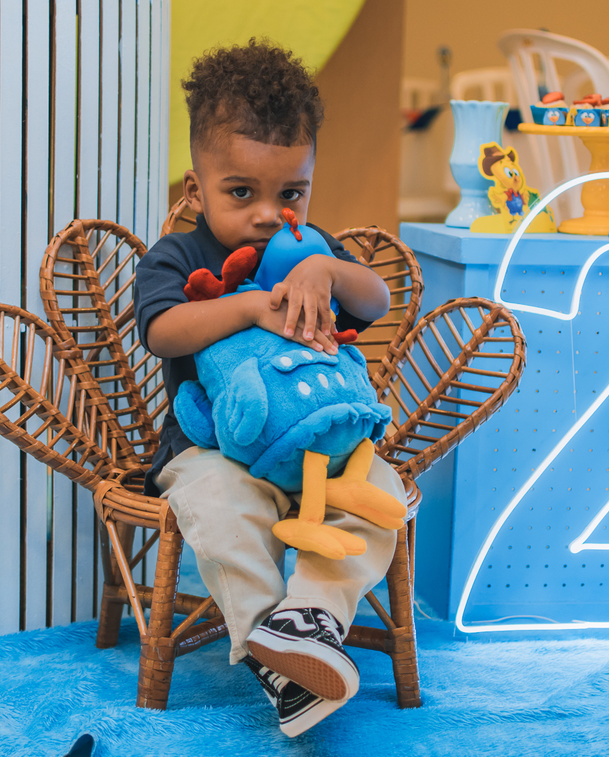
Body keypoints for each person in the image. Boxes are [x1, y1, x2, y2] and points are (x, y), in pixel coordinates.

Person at [133, 39, 408, 738]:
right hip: (214, 449)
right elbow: (163, 330)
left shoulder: (309, 246)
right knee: (220, 509)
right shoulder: (182, 254)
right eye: (240, 192)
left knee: (383, 494)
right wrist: (252, 307)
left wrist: (326, 272)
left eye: (290, 193)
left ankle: (309, 618)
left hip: (322, 453)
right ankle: (274, 652)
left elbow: (374, 299)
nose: (266, 213)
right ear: (195, 191)